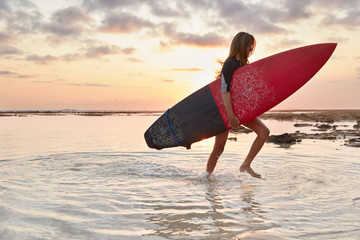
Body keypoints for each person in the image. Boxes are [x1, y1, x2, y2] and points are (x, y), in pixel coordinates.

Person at [206, 32, 270, 179]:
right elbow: (224, 90)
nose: (251, 48)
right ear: (241, 45)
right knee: (219, 148)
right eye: (249, 44)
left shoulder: (244, 65)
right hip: (227, 110)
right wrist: (230, 115)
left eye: (252, 45)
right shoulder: (230, 64)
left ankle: (246, 164)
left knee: (264, 132)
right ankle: (207, 178)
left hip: (240, 110)